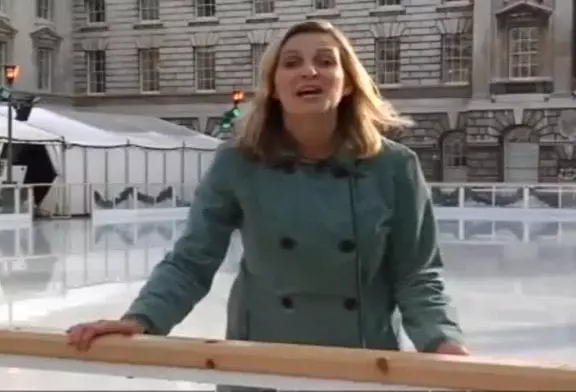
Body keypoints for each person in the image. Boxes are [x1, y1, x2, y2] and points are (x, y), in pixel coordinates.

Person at [67, 19, 468, 384]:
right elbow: (192, 259)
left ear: (346, 82)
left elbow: (417, 274)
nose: (309, 70)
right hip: (260, 362)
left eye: (325, 61)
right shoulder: (239, 160)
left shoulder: (394, 166)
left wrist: (442, 341)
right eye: (292, 62)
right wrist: (142, 318)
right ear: (273, 87)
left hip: (358, 364)